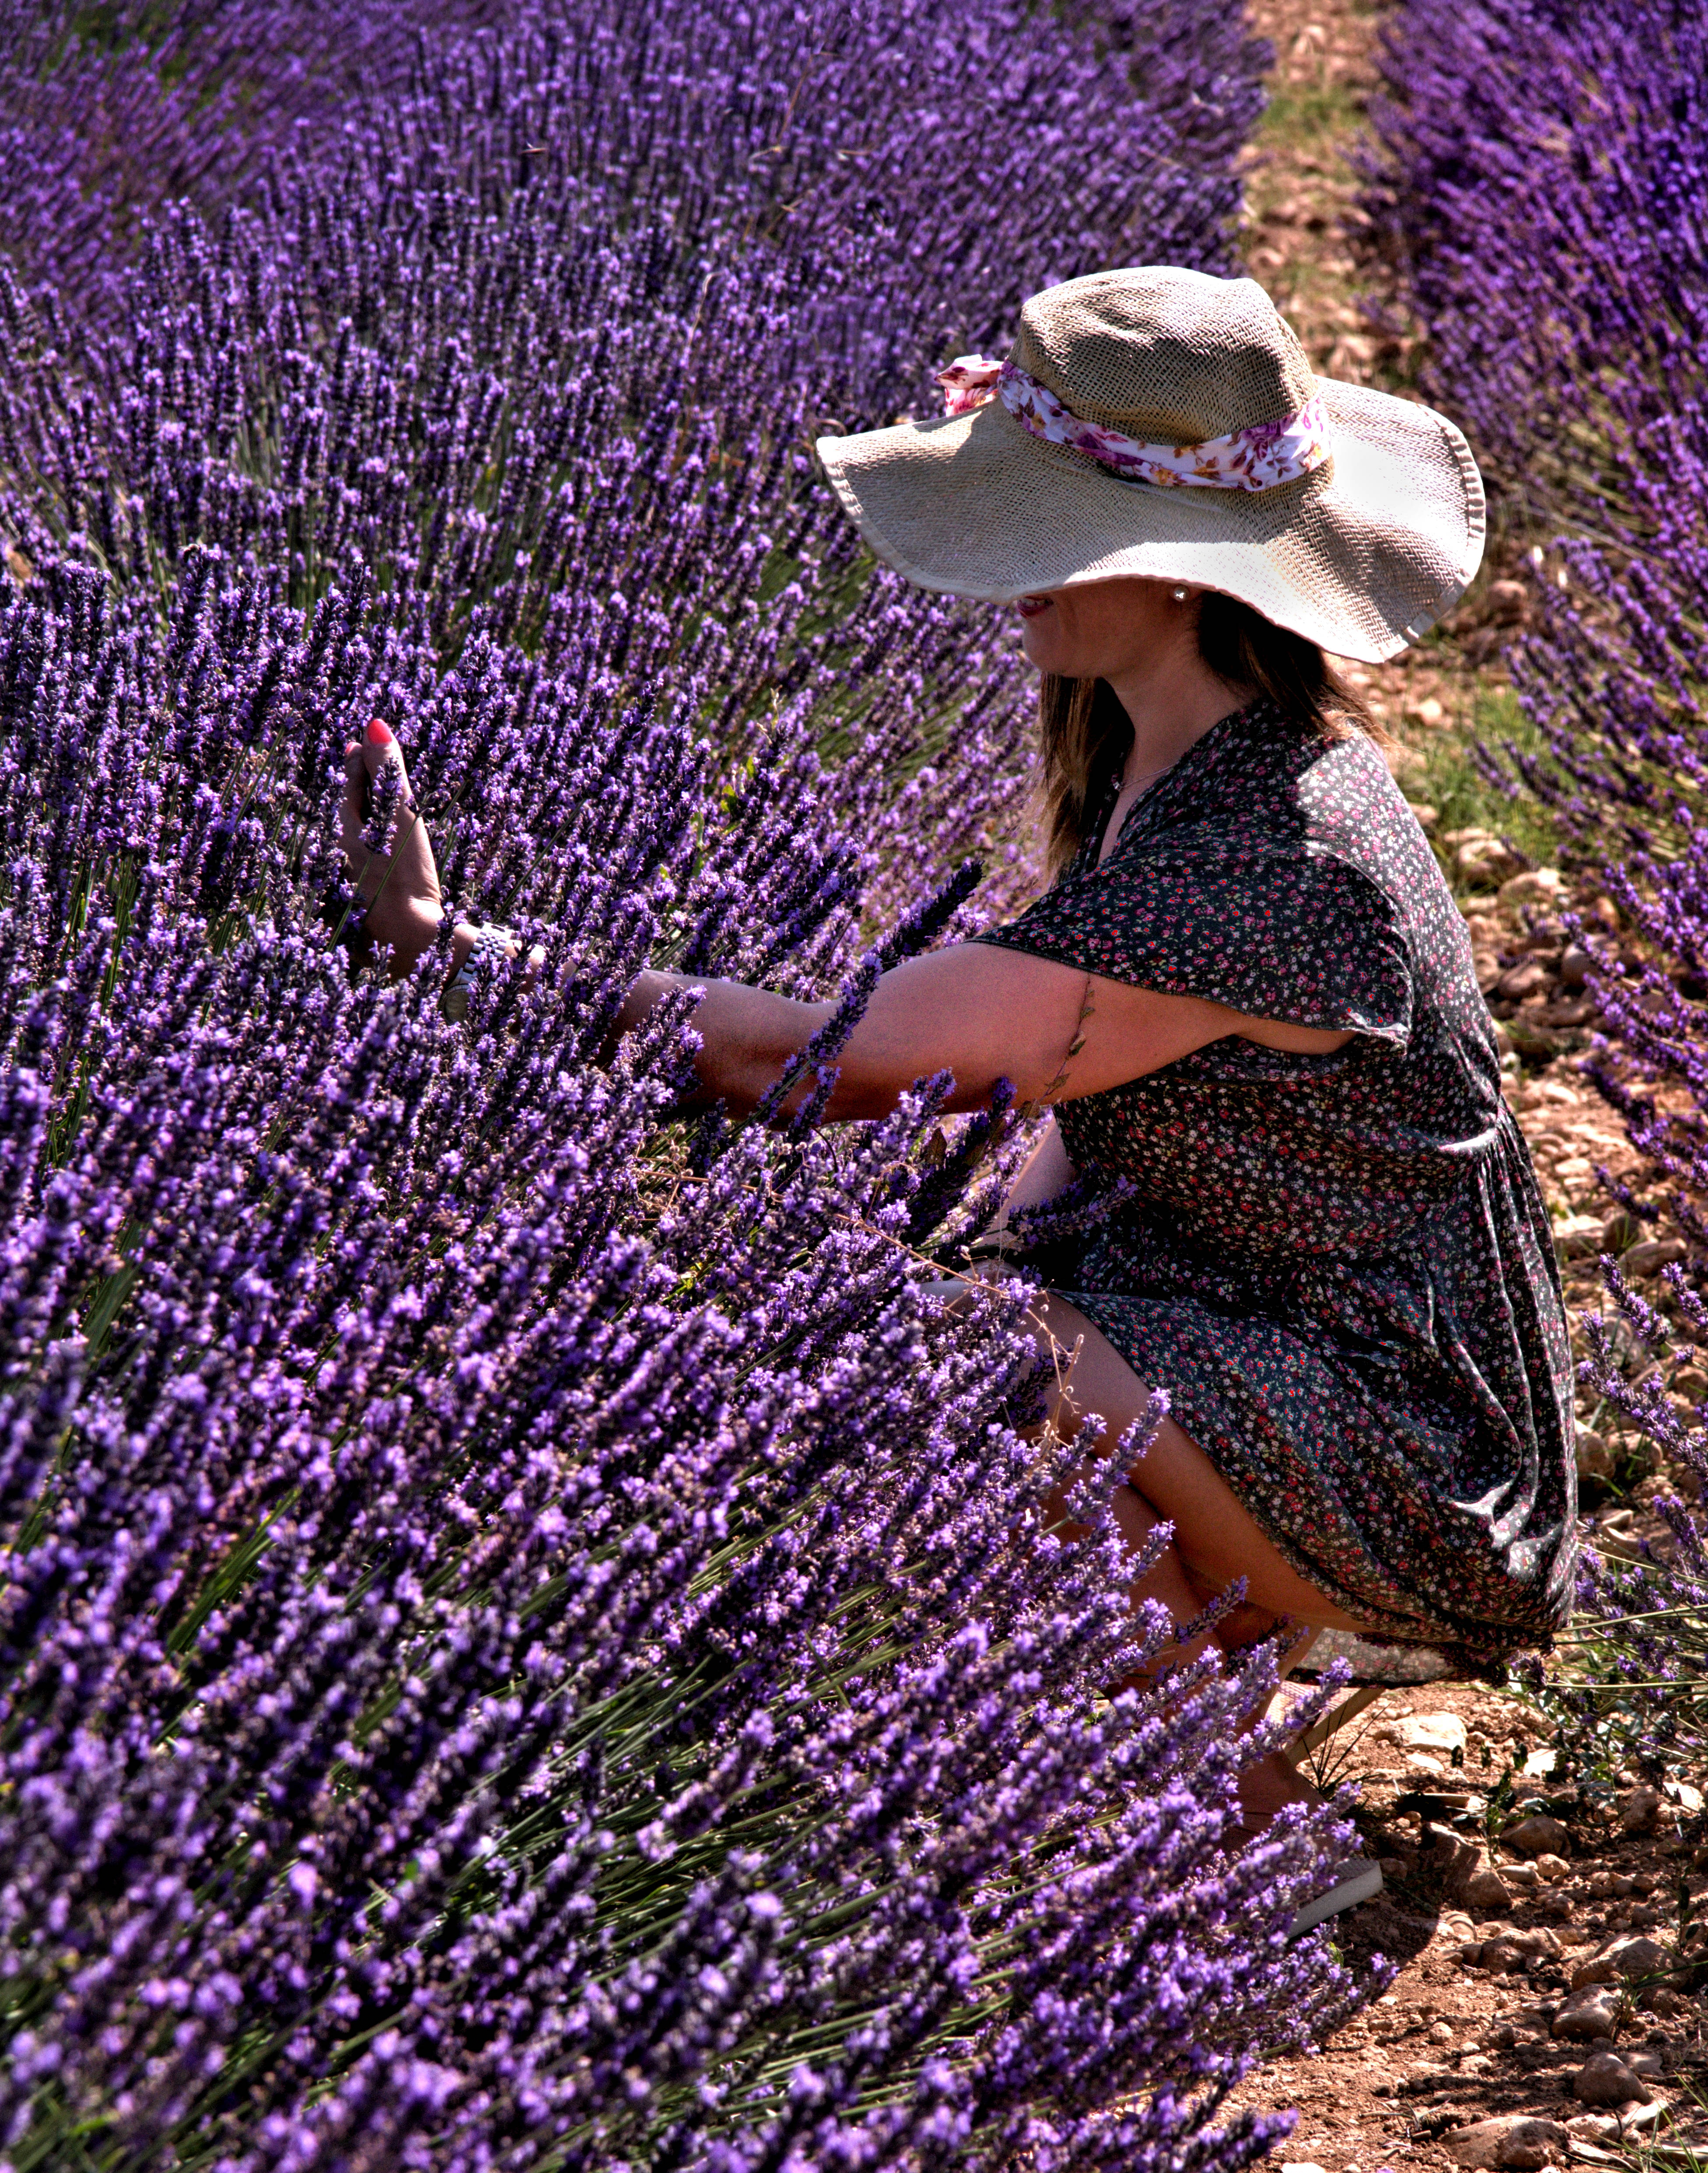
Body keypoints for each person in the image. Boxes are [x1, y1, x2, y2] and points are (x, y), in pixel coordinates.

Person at [343, 267, 1577, 1927]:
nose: (1011, 581)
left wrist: (456, 953)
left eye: (1042, 526)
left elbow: (828, 1058)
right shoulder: (1188, 757)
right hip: (1308, 1358)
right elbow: (1050, 1119)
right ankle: (1173, 1748)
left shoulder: (1267, 864)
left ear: (1177, 569)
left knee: (947, 1367)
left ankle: (1270, 1840)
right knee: (946, 1313)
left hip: (1416, 1461)